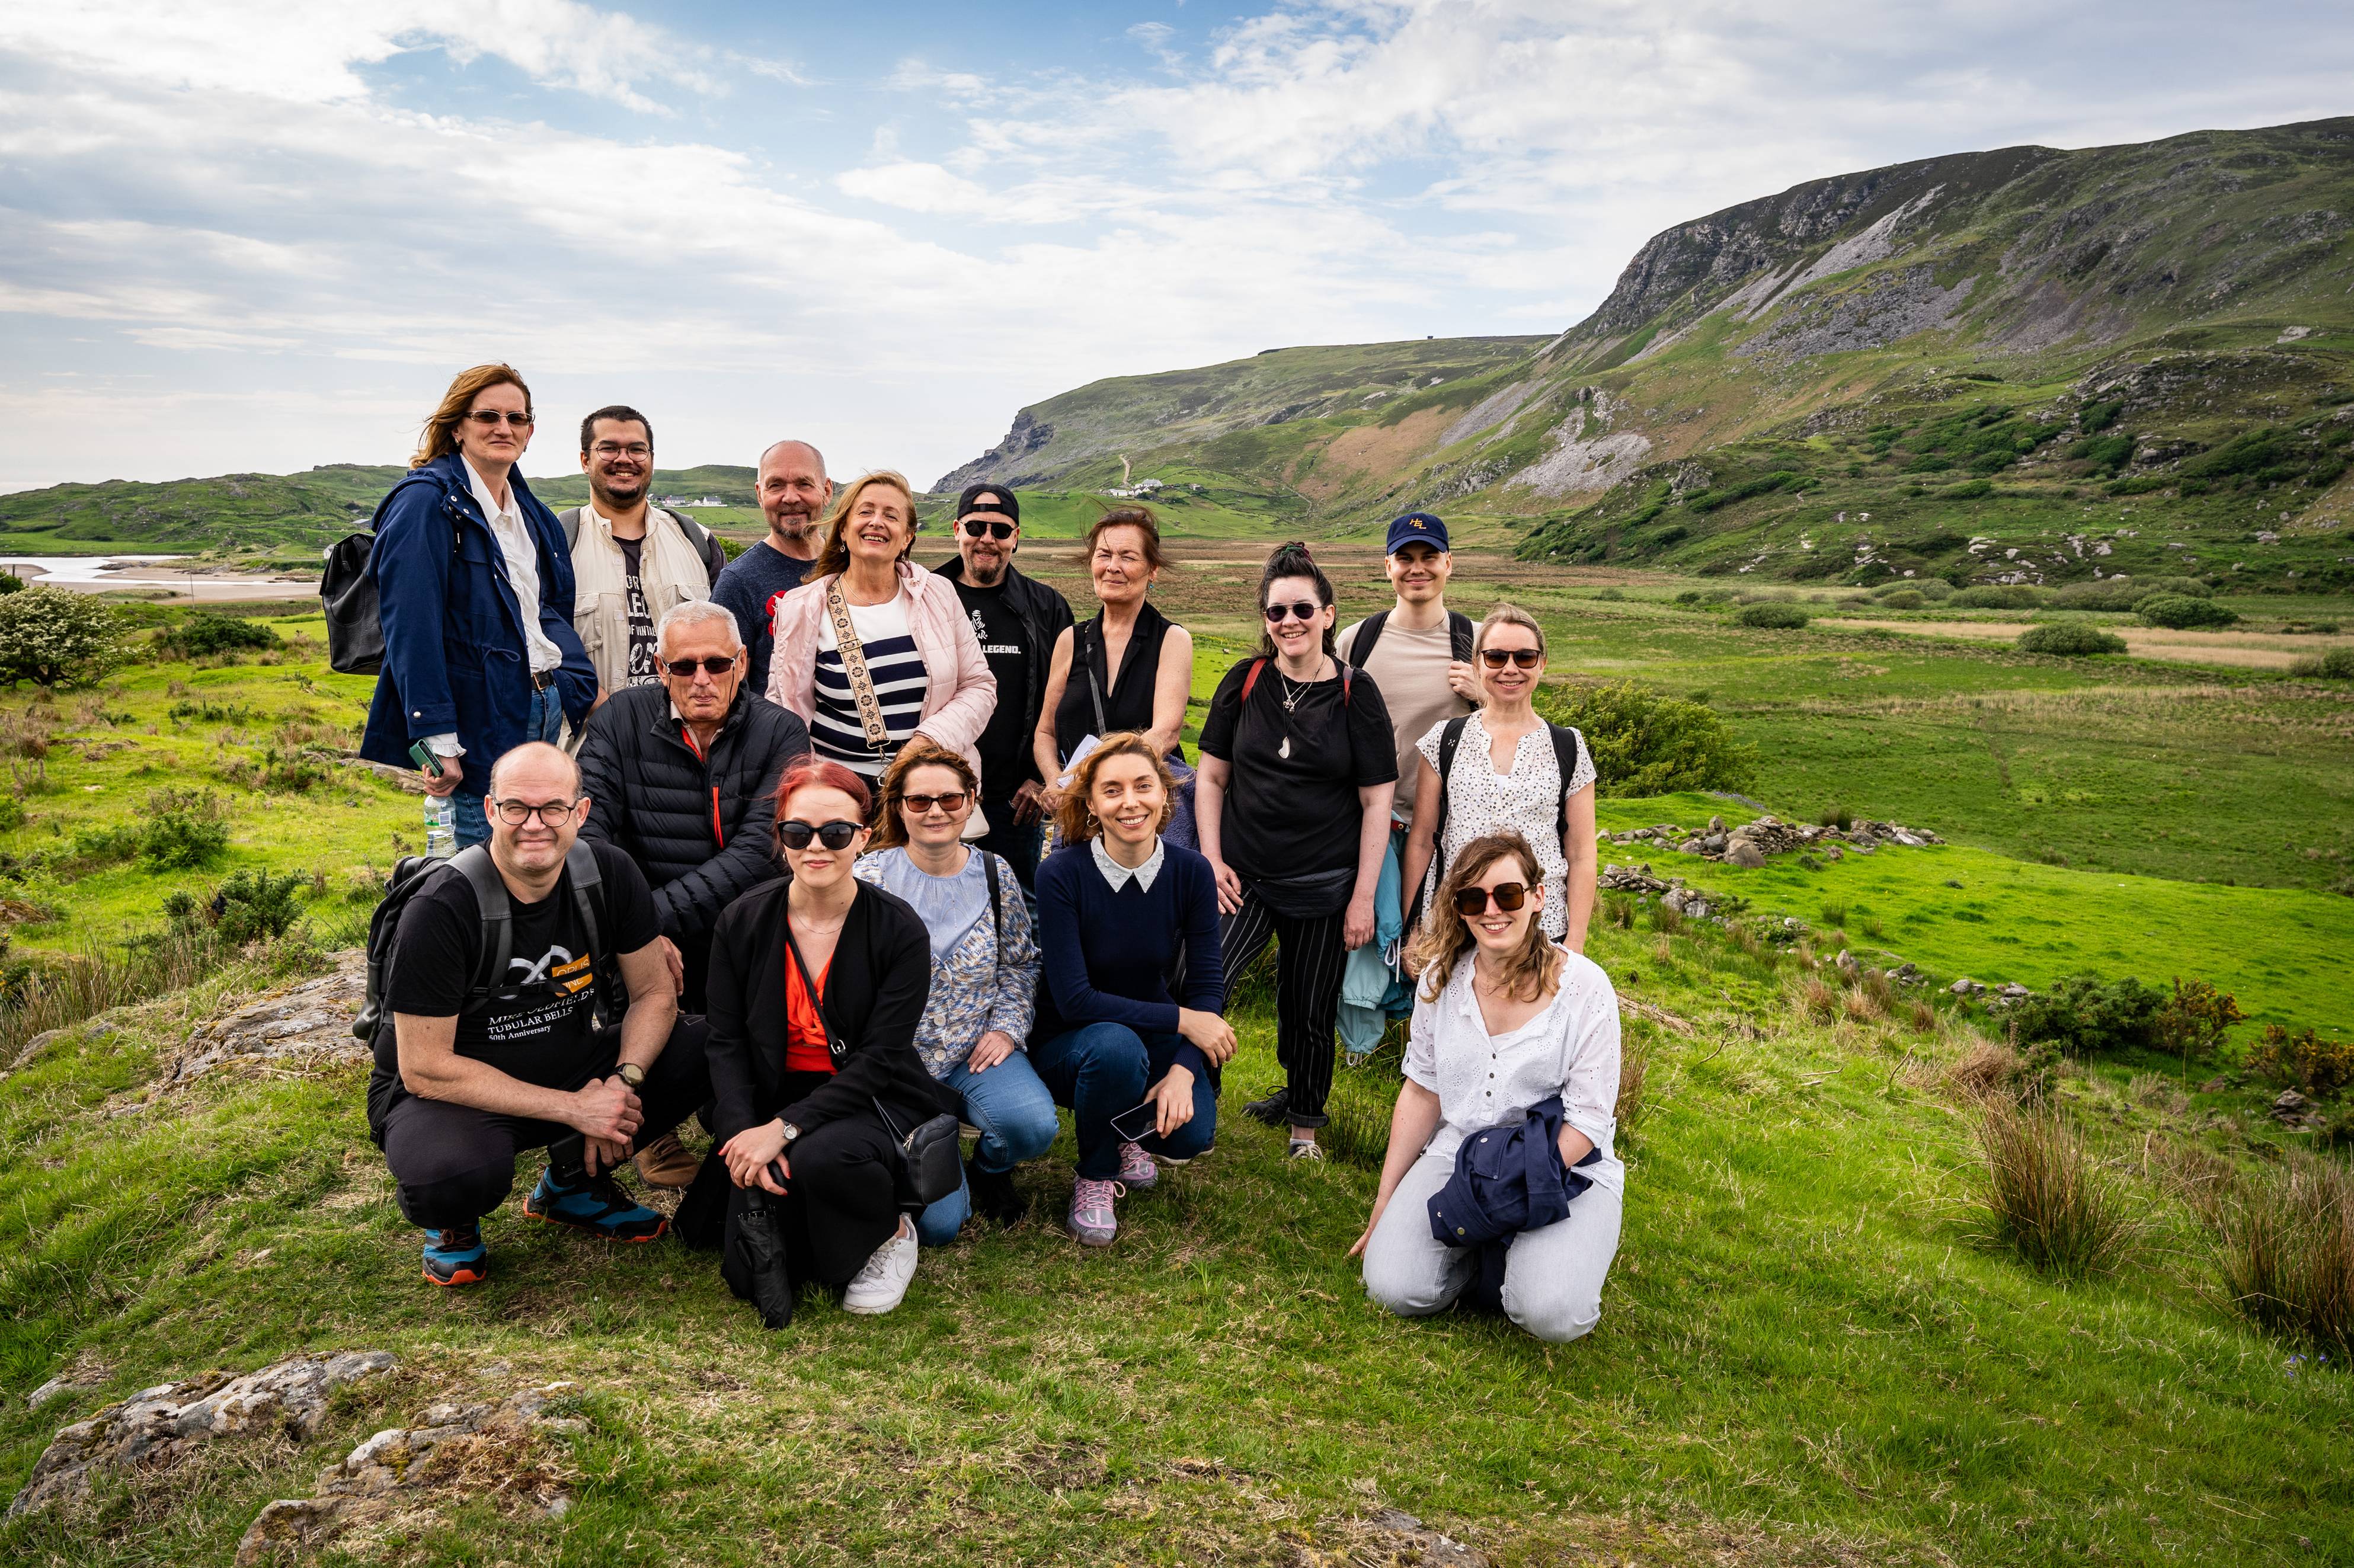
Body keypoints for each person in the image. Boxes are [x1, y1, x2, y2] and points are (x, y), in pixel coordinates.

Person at [367, 742, 710, 1288]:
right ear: (489, 811)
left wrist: (623, 1084)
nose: (535, 825)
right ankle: (454, 1224)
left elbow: (655, 993)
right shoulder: (442, 908)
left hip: (567, 1060)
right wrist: (576, 1110)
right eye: (516, 808)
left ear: (580, 812)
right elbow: (425, 1067)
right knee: (451, 1175)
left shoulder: (608, 874)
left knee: (702, 1047)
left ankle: (571, 1185)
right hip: (451, 1090)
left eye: (553, 808)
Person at [703, 758, 962, 1317]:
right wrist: (742, 1136)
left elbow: (881, 1058)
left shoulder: (898, 929)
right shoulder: (742, 920)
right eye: (798, 832)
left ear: (863, 838)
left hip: (870, 1094)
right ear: (781, 838)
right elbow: (724, 1041)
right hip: (778, 1091)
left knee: (820, 1160)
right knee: (746, 1270)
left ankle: (893, 1234)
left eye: (836, 832)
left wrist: (783, 1129)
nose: (816, 846)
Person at [1352, 832, 1623, 1342]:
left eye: (1509, 894)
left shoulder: (1587, 988)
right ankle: (1485, 1255)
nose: (1492, 910)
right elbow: (1422, 1090)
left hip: (1561, 1163)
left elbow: (1587, 1120)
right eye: (1473, 898)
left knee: (1551, 1316)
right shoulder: (1440, 979)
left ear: (1538, 898)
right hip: (1461, 1149)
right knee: (1392, 1287)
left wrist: (1502, 1192)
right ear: (1458, 908)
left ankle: (1526, 1254)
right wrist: (1384, 1202)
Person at [1195, 542, 1397, 1159]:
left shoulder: (1355, 694)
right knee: (1206, 987)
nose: (1290, 623)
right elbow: (1210, 777)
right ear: (1264, 619)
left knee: (1308, 1009)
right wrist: (1210, 857)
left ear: (1329, 615)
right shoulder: (1244, 681)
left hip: (1324, 884)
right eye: (1276, 611)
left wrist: (1363, 897)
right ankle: (1196, 1108)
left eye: (1302, 610)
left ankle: (1304, 1126)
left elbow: (1376, 804)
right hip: (1244, 877)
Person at [360, 364, 596, 848]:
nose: (504, 428)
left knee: (532, 850)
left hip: (540, 706)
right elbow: (411, 627)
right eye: (487, 415)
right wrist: (439, 739)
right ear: (457, 426)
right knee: (476, 859)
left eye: (517, 417)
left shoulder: (530, 511)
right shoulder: (426, 503)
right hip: (476, 718)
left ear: (530, 431)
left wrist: (573, 683)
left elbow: (546, 610)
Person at [1029, 734, 1232, 1245]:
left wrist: (1186, 1072)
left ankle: (1126, 1133)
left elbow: (1208, 987)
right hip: (1071, 1042)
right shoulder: (1061, 874)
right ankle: (1096, 1175)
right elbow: (1075, 998)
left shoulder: (1191, 872)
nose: (1130, 802)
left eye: (1143, 786)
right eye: (1113, 790)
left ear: (1166, 796)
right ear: (1093, 803)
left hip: (1150, 1034)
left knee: (1190, 1135)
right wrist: (1184, 1021)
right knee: (1115, 1048)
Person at [853, 741, 1054, 1241]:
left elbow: (1020, 964)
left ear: (971, 799)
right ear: (899, 806)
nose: (936, 811)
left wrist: (1007, 1029)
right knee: (941, 1226)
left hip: (973, 1049)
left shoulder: (995, 872)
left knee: (1031, 1124)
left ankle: (991, 1170)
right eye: (920, 801)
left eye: (950, 799)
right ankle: (942, 1170)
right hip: (896, 1065)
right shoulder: (868, 877)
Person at [575, 599, 811, 1017]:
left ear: (741, 663)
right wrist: (637, 934)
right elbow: (586, 831)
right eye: (684, 666)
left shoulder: (781, 731)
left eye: (717, 665)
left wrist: (645, 925)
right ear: (661, 667)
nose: (702, 679)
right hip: (642, 934)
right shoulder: (619, 718)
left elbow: (761, 851)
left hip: (746, 931)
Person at [765, 471, 996, 786]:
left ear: (907, 537)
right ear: (843, 530)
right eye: (865, 512)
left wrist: (927, 742)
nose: (877, 522)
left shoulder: (938, 594)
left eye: (891, 515)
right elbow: (782, 707)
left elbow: (979, 687)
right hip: (837, 793)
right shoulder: (800, 607)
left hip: (926, 787)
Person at [1400, 604, 1597, 953]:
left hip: (1543, 931)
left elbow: (1581, 853)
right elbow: (1422, 842)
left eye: (1524, 657)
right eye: (1495, 657)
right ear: (1477, 663)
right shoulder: (1444, 740)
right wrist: (1413, 930)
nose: (1510, 669)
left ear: (1542, 664)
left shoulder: (1569, 746)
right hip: (1456, 926)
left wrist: (1576, 944)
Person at [934, 483, 1073, 890]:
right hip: (936, 794)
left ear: (1016, 538)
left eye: (1000, 530)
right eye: (976, 527)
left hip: (1015, 801)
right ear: (957, 529)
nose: (987, 540)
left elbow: (1065, 696)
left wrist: (1041, 776)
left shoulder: (1047, 606)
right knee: (933, 900)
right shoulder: (926, 595)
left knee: (1015, 907)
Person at [562, 405, 730, 703]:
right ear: (585, 460)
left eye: (637, 450)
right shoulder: (558, 542)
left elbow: (727, 647)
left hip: (688, 738)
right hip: (590, 740)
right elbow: (542, 649)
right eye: (609, 449)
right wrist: (608, 716)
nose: (624, 459)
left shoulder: (698, 542)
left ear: (651, 459)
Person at [1034, 507, 1194, 812]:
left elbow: (1166, 732)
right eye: (1104, 555)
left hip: (1143, 812)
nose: (1113, 567)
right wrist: (1055, 781)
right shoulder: (1071, 639)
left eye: (1128, 557)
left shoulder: (1172, 640)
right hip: (1080, 809)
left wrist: (1100, 780)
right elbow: (1045, 733)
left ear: (1153, 569)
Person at [1334, 511, 1478, 841]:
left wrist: (1485, 695)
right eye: (1405, 558)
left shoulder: (1480, 642)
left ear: (1449, 564)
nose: (1417, 569)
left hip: (1455, 828)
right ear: (1388, 567)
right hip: (1369, 826)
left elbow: (1520, 730)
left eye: (1429, 557)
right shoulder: (1354, 642)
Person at [712, 439, 831, 696]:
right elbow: (727, 689)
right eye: (776, 486)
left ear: (827, 490)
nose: (790, 497)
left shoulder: (852, 565)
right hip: (779, 734)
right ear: (759, 494)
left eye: (804, 484)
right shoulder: (738, 582)